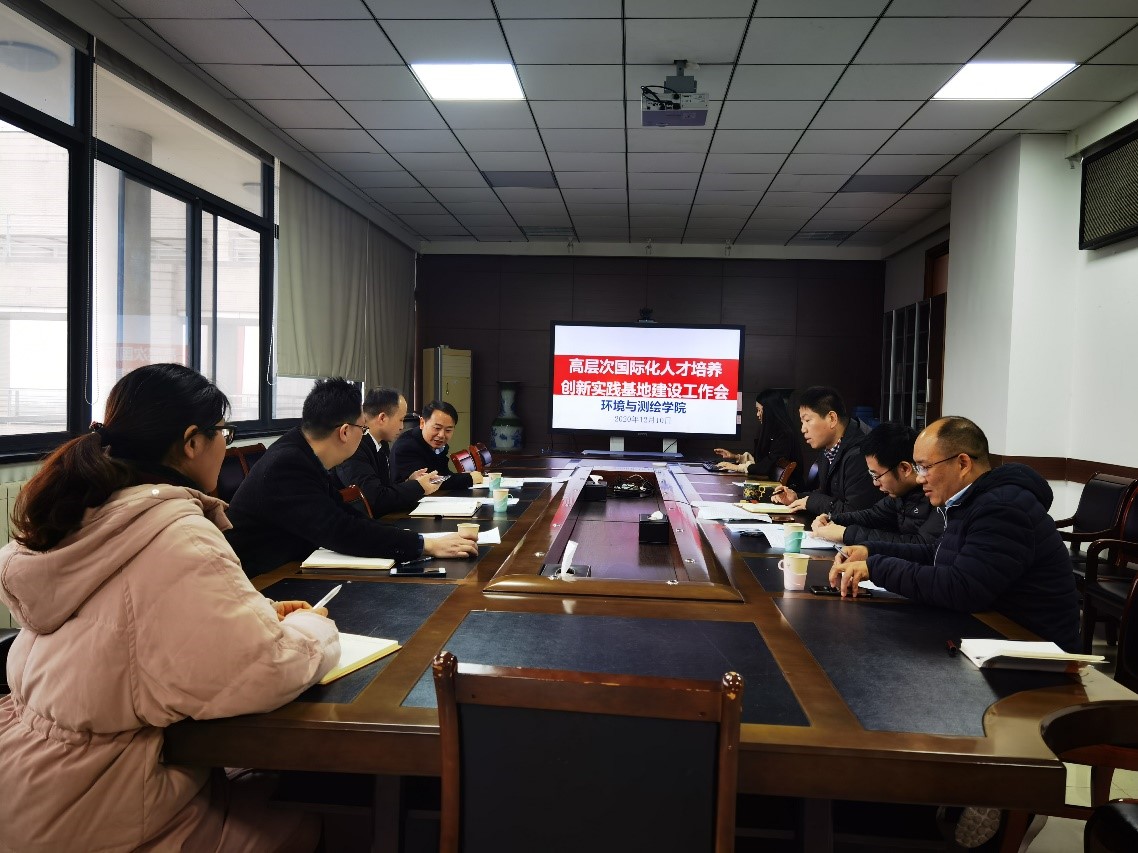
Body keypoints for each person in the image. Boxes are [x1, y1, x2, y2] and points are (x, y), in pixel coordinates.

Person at [0, 363, 340, 853]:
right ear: (192, 442)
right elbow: (265, 671)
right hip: (103, 806)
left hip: (28, 785)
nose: (226, 444)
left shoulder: (86, 509)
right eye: (224, 433)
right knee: (314, 817)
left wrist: (258, 614)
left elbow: (132, 623)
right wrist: (312, 627)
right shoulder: (177, 532)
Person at [828, 416, 1080, 651]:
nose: (919, 479)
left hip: (1031, 648)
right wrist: (870, 552)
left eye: (925, 467)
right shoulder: (973, 500)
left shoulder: (1003, 508)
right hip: (993, 633)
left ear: (962, 463)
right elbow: (937, 554)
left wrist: (877, 568)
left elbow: (963, 589)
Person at [226, 379, 477, 577]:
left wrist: (417, 540)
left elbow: (344, 513)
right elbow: (340, 530)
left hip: (286, 568)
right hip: (263, 581)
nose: (364, 434)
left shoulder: (301, 451)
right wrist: (426, 545)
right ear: (345, 431)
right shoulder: (288, 463)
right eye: (363, 428)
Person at [811, 422, 944, 546]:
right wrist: (832, 519)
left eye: (877, 475)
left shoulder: (938, 496)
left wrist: (845, 534)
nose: (875, 483)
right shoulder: (900, 494)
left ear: (904, 468)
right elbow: (873, 515)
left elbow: (921, 546)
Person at [332, 387, 440, 516]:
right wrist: (417, 486)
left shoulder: (381, 444)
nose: (402, 427)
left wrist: (410, 482)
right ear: (382, 418)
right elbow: (376, 500)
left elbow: (383, 489)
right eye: (401, 420)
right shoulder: (354, 447)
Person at [770, 386, 877, 516]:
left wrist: (810, 501)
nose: (803, 429)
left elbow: (855, 512)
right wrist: (796, 497)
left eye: (807, 420)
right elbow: (826, 495)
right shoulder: (829, 448)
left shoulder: (861, 453)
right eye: (802, 422)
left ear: (832, 418)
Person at [712, 389, 804, 488]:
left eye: (760, 410)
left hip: (788, 489)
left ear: (769, 411)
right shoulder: (772, 430)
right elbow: (761, 461)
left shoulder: (784, 434)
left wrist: (736, 467)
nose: (757, 414)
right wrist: (735, 457)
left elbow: (767, 465)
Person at [390, 399, 483, 489]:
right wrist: (469, 478)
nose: (441, 435)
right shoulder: (406, 446)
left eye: (448, 430)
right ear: (422, 423)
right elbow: (430, 481)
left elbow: (444, 475)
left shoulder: (439, 446)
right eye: (437, 428)